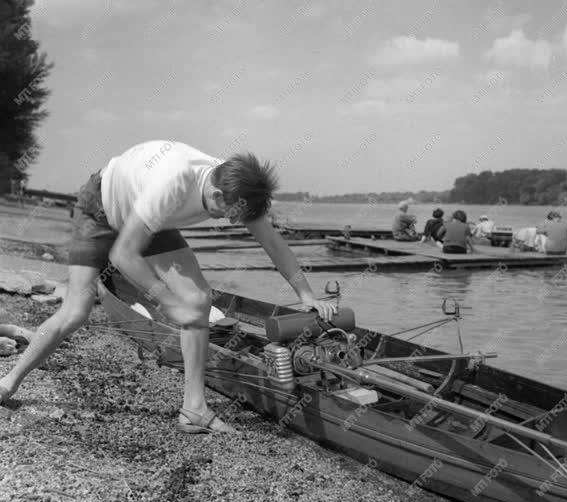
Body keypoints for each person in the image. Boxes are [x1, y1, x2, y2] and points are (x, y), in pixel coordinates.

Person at [0, 140, 337, 433]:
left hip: (150, 218)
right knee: (75, 312)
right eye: (230, 215)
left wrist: (305, 295)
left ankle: (194, 409)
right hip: (101, 208)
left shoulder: (240, 191)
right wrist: (163, 300)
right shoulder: (174, 181)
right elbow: (122, 254)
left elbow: (275, 245)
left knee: (198, 298)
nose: (233, 222)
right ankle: (9, 383)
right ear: (218, 195)